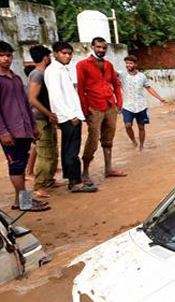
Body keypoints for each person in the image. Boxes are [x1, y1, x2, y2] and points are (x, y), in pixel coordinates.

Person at [0, 40, 48, 211]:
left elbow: (26, 104)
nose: (6, 59)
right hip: (10, 132)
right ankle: (26, 202)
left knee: (22, 165)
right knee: (16, 167)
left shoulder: (17, 78)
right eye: (1, 55)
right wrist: (3, 132)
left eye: (8, 55)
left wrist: (33, 126)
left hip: (24, 129)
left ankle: (19, 202)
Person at [46, 42, 97, 193]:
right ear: (55, 54)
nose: (67, 56)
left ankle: (73, 179)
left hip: (72, 114)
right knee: (71, 151)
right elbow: (56, 97)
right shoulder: (53, 71)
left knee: (70, 149)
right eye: (64, 53)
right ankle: (76, 182)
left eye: (69, 53)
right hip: (68, 116)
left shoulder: (63, 70)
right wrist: (71, 115)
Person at [76, 37, 125, 181]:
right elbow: (80, 89)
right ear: (92, 47)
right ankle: (85, 173)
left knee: (108, 138)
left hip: (110, 105)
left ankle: (108, 169)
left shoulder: (109, 65)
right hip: (94, 107)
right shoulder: (82, 65)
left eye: (104, 48)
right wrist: (85, 110)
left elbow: (116, 84)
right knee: (92, 139)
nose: (101, 50)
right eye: (98, 47)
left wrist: (119, 102)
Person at [27, 45, 59, 199]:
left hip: (47, 118)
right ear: (46, 58)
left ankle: (49, 180)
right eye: (50, 56)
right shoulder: (37, 75)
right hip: (41, 119)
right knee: (45, 153)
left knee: (52, 150)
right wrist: (49, 114)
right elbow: (32, 99)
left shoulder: (43, 74)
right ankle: (39, 186)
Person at [119, 55, 168, 150]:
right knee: (127, 125)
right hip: (127, 106)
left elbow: (149, 88)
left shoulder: (142, 76)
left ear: (135, 64)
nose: (128, 65)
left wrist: (160, 98)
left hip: (141, 106)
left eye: (130, 63)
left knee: (141, 127)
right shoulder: (122, 75)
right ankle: (133, 141)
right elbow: (109, 72)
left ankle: (141, 145)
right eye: (127, 63)